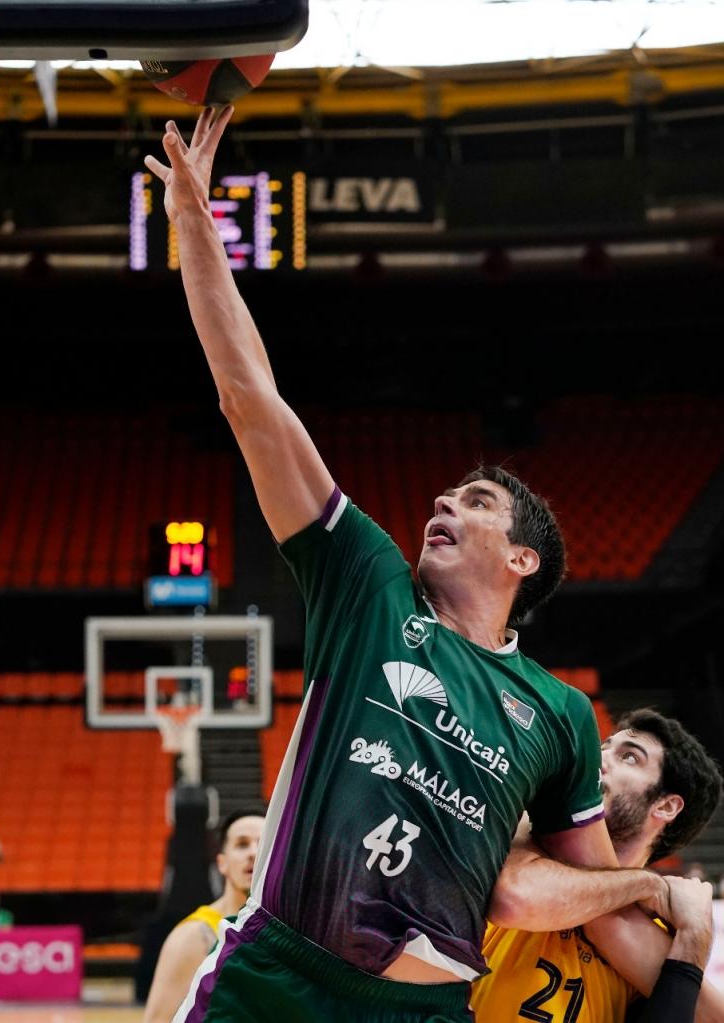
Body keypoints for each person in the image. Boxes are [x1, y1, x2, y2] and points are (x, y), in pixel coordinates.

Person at [144, 108, 692, 1023]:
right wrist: (197, 226)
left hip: (424, 1012)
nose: (443, 502)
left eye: (476, 502)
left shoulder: (557, 713)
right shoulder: (368, 579)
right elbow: (251, 401)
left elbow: (591, 885)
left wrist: (675, 912)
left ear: (523, 557)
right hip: (277, 978)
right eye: (444, 496)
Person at [473, 707, 723, 1022]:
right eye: (602, 748)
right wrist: (650, 885)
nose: (598, 760)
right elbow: (518, 897)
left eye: (629, 757)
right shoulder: (525, 837)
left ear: (666, 805)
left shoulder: (654, 932)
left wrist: (695, 933)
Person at [142, 809, 265, 1023]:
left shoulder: (285, 930)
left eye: (263, 844)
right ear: (222, 863)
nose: (253, 853)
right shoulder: (192, 936)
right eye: (242, 844)